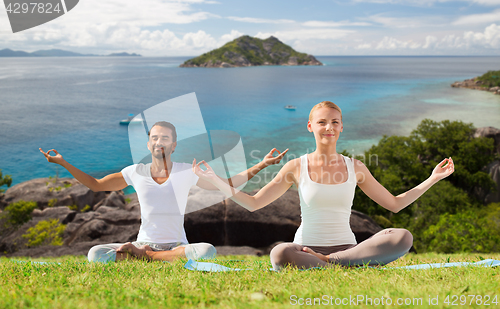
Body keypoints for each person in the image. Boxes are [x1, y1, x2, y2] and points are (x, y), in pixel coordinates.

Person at [192, 101, 455, 270]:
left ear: (341, 128)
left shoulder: (357, 167)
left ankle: (330, 263)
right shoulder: (296, 166)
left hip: (349, 248)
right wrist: (217, 181)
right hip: (305, 249)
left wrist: (432, 178)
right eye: (322, 122)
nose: (328, 127)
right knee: (280, 253)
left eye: (335, 122)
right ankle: (338, 264)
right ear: (310, 127)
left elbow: (395, 204)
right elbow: (254, 203)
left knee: (403, 236)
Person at [40, 121, 288, 263]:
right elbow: (96, 185)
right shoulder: (134, 172)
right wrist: (63, 163)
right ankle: (148, 254)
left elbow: (229, 184)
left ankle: (145, 257)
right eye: (155, 138)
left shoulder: (186, 171)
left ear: (174, 145)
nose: (160, 142)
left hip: (178, 245)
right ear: (149, 144)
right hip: (144, 241)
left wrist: (263, 164)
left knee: (207, 251)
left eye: (165, 138)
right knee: (95, 254)